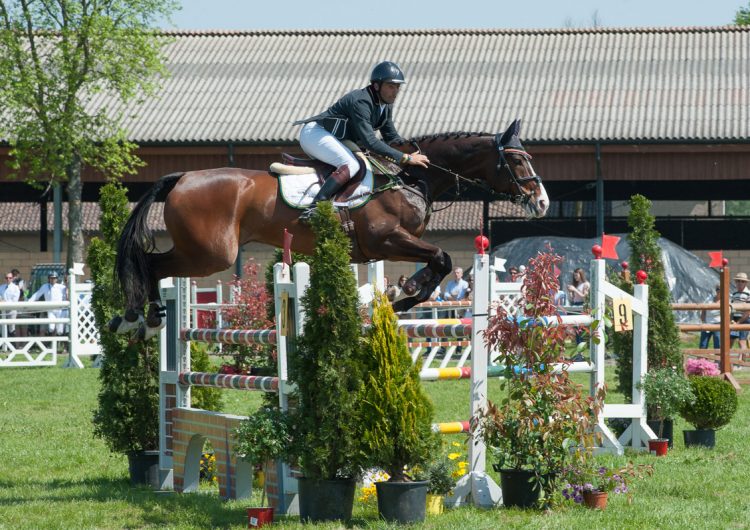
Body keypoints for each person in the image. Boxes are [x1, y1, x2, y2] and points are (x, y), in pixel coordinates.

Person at [294, 61, 430, 220]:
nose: (395, 92)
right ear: (377, 86)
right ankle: (315, 207)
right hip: (316, 133)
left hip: (336, 138)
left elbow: (392, 138)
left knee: (365, 163)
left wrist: (414, 152)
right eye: (391, 86)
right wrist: (406, 158)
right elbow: (370, 142)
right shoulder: (362, 101)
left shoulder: (385, 105)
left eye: (398, 87)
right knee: (351, 164)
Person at [28, 271, 68, 336]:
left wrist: (67, 281)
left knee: (60, 331)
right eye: (51, 278)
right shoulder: (45, 286)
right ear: (49, 279)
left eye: (54, 278)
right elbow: (36, 295)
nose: (53, 279)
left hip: (60, 310)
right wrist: (29, 302)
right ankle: (51, 342)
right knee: (51, 328)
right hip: (51, 310)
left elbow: (68, 290)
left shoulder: (61, 287)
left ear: (57, 279)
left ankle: (58, 344)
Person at [730, 272, 750, 351]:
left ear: (746, 283)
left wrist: (737, 323)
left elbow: (748, 312)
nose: (740, 283)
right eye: (738, 281)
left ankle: (742, 363)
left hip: (745, 319)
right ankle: (728, 362)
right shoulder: (734, 294)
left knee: (742, 342)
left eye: (742, 281)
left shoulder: (749, 294)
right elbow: (731, 308)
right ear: (735, 282)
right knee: (729, 341)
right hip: (735, 319)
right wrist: (731, 320)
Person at [0, 271, 21, 337]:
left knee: (11, 328)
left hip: (12, 310)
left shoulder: (15, 288)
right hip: (3, 310)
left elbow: (15, 300)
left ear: (12, 279)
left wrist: (4, 302)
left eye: (10, 278)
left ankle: (12, 346)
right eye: (6, 278)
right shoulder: (1, 287)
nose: (8, 279)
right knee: (2, 328)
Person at [700, 286, 721, 350]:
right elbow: (703, 309)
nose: (719, 291)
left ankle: (718, 359)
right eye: (718, 289)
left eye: (720, 289)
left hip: (718, 323)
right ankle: (702, 359)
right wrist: (703, 321)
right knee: (703, 343)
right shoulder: (709, 299)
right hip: (707, 322)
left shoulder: (725, 300)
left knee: (718, 343)